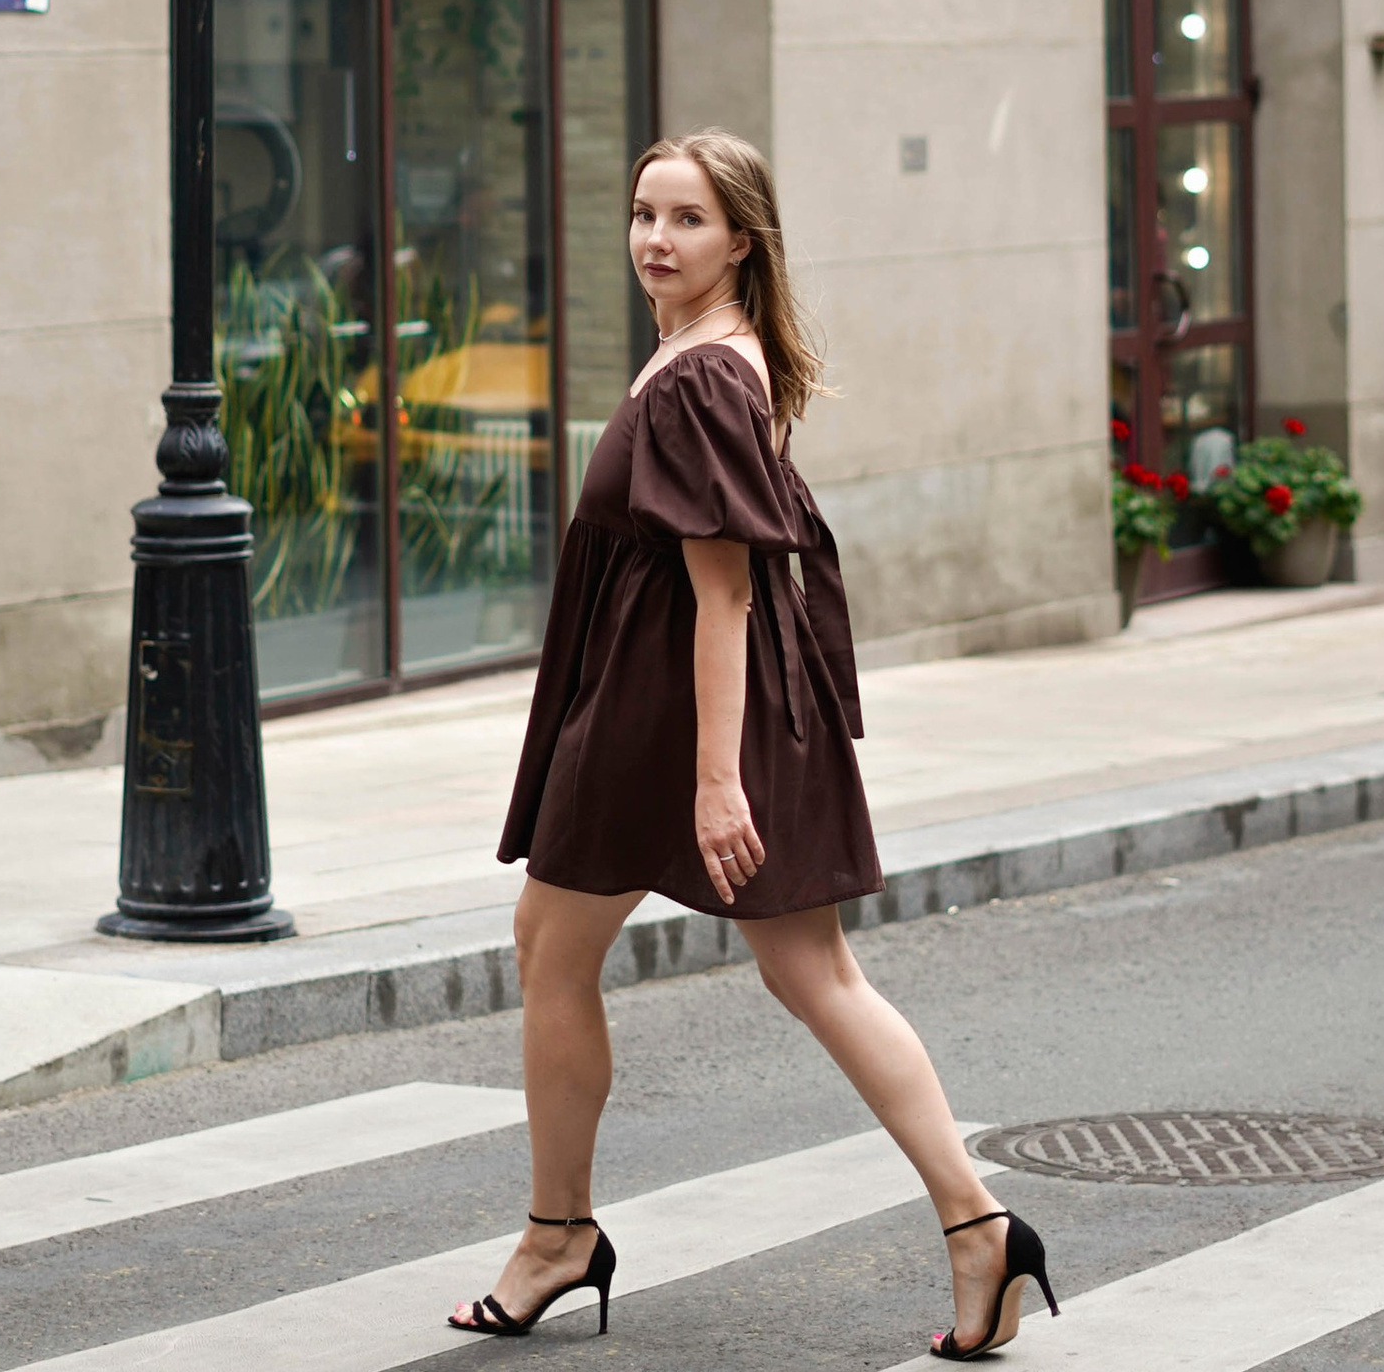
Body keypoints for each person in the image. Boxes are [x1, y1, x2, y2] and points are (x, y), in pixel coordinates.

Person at [449, 129, 1058, 1360]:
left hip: (670, 711)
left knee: (560, 948)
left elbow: (719, 590)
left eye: (685, 219)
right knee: (798, 971)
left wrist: (714, 779)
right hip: (684, 697)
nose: (655, 241)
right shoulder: (717, 355)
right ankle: (978, 1227)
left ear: (741, 239)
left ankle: (560, 1233)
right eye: (642, 215)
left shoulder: (696, 377)